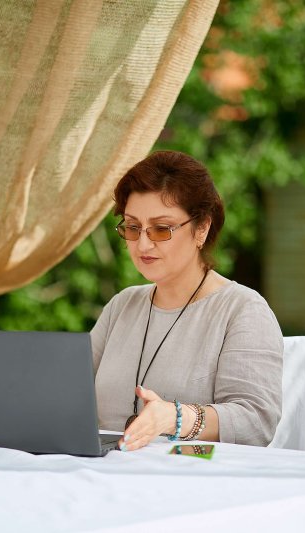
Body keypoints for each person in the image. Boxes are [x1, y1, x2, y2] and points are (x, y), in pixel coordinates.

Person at [90, 150, 283, 452]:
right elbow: (68, 394)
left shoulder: (242, 310)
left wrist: (175, 418)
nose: (143, 244)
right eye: (132, 227)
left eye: (161, 229)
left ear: (201, 228)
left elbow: (256, 421)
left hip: (189, 472)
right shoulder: (122, 305)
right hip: (101, 471)